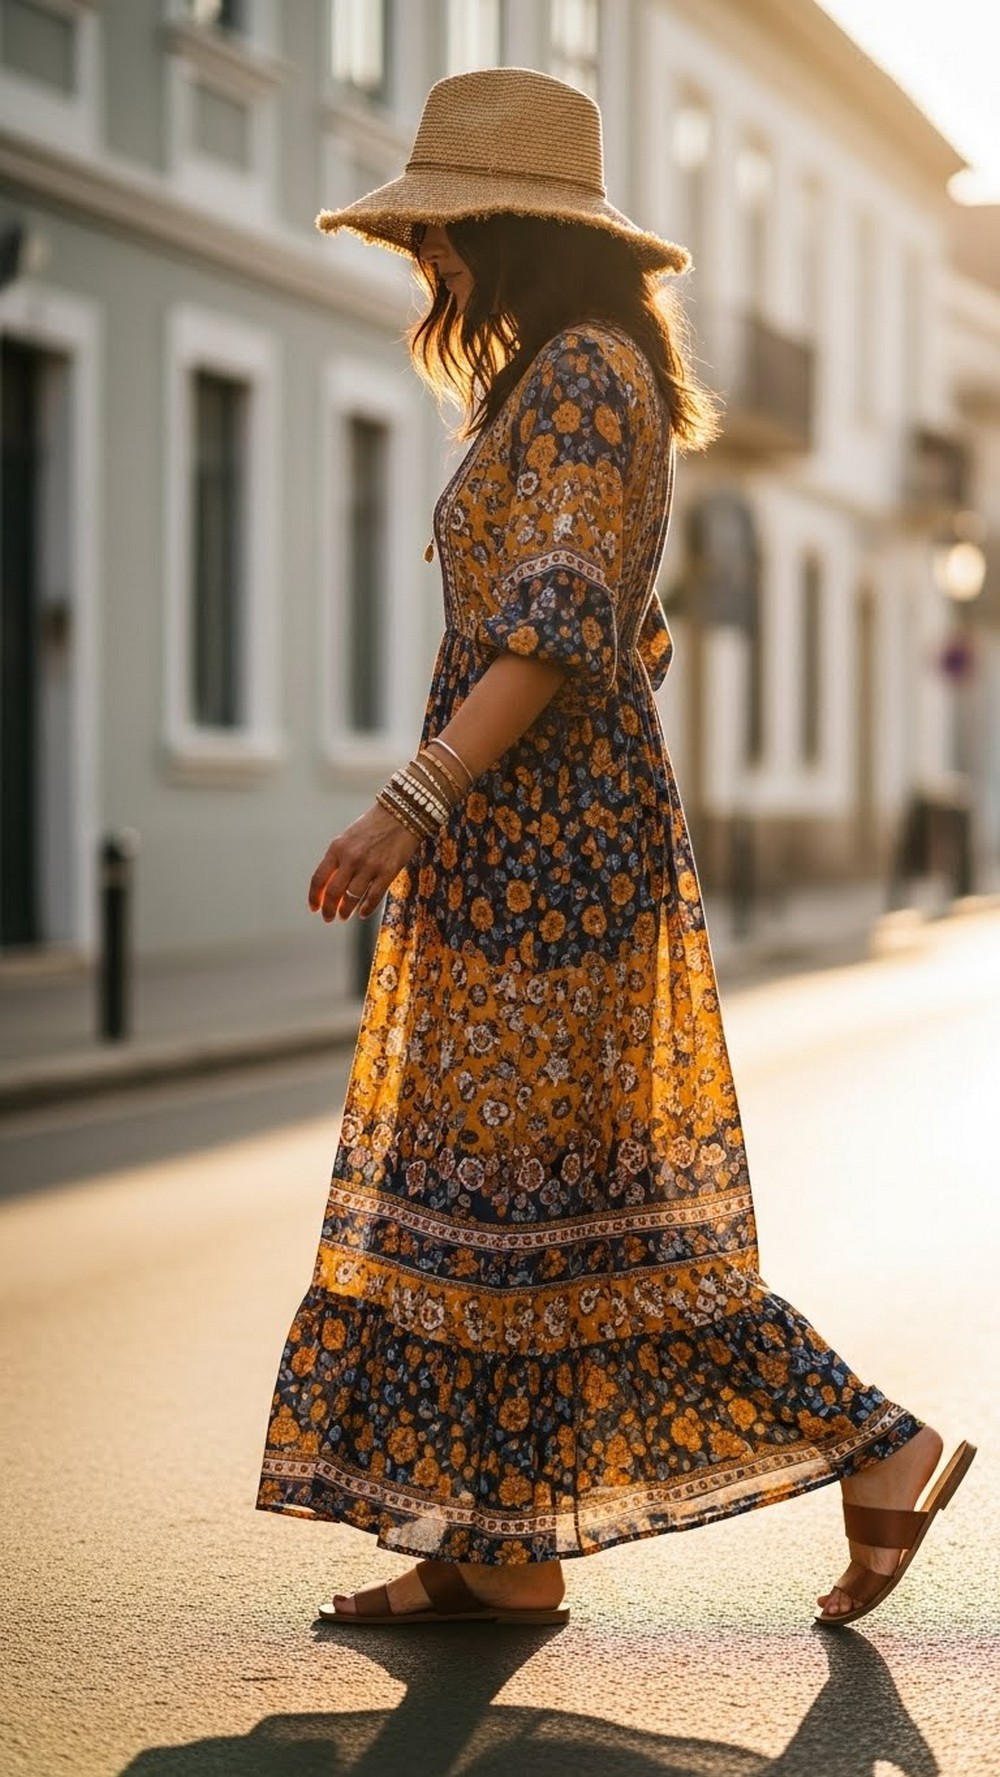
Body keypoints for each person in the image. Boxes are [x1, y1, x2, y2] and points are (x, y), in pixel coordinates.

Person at [256, 67, 973, 1629]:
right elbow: (627, 638)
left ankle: (882, 1440)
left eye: (442, 235)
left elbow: (572, 623)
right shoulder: (562, 378)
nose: (428, 266)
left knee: (576, 1216)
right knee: (516, 1217)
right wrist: (543, 771)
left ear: (508, 231)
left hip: (542, 872)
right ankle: (501, 1541)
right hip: (535, 847)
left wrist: (414, 800)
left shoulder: (583, 376)